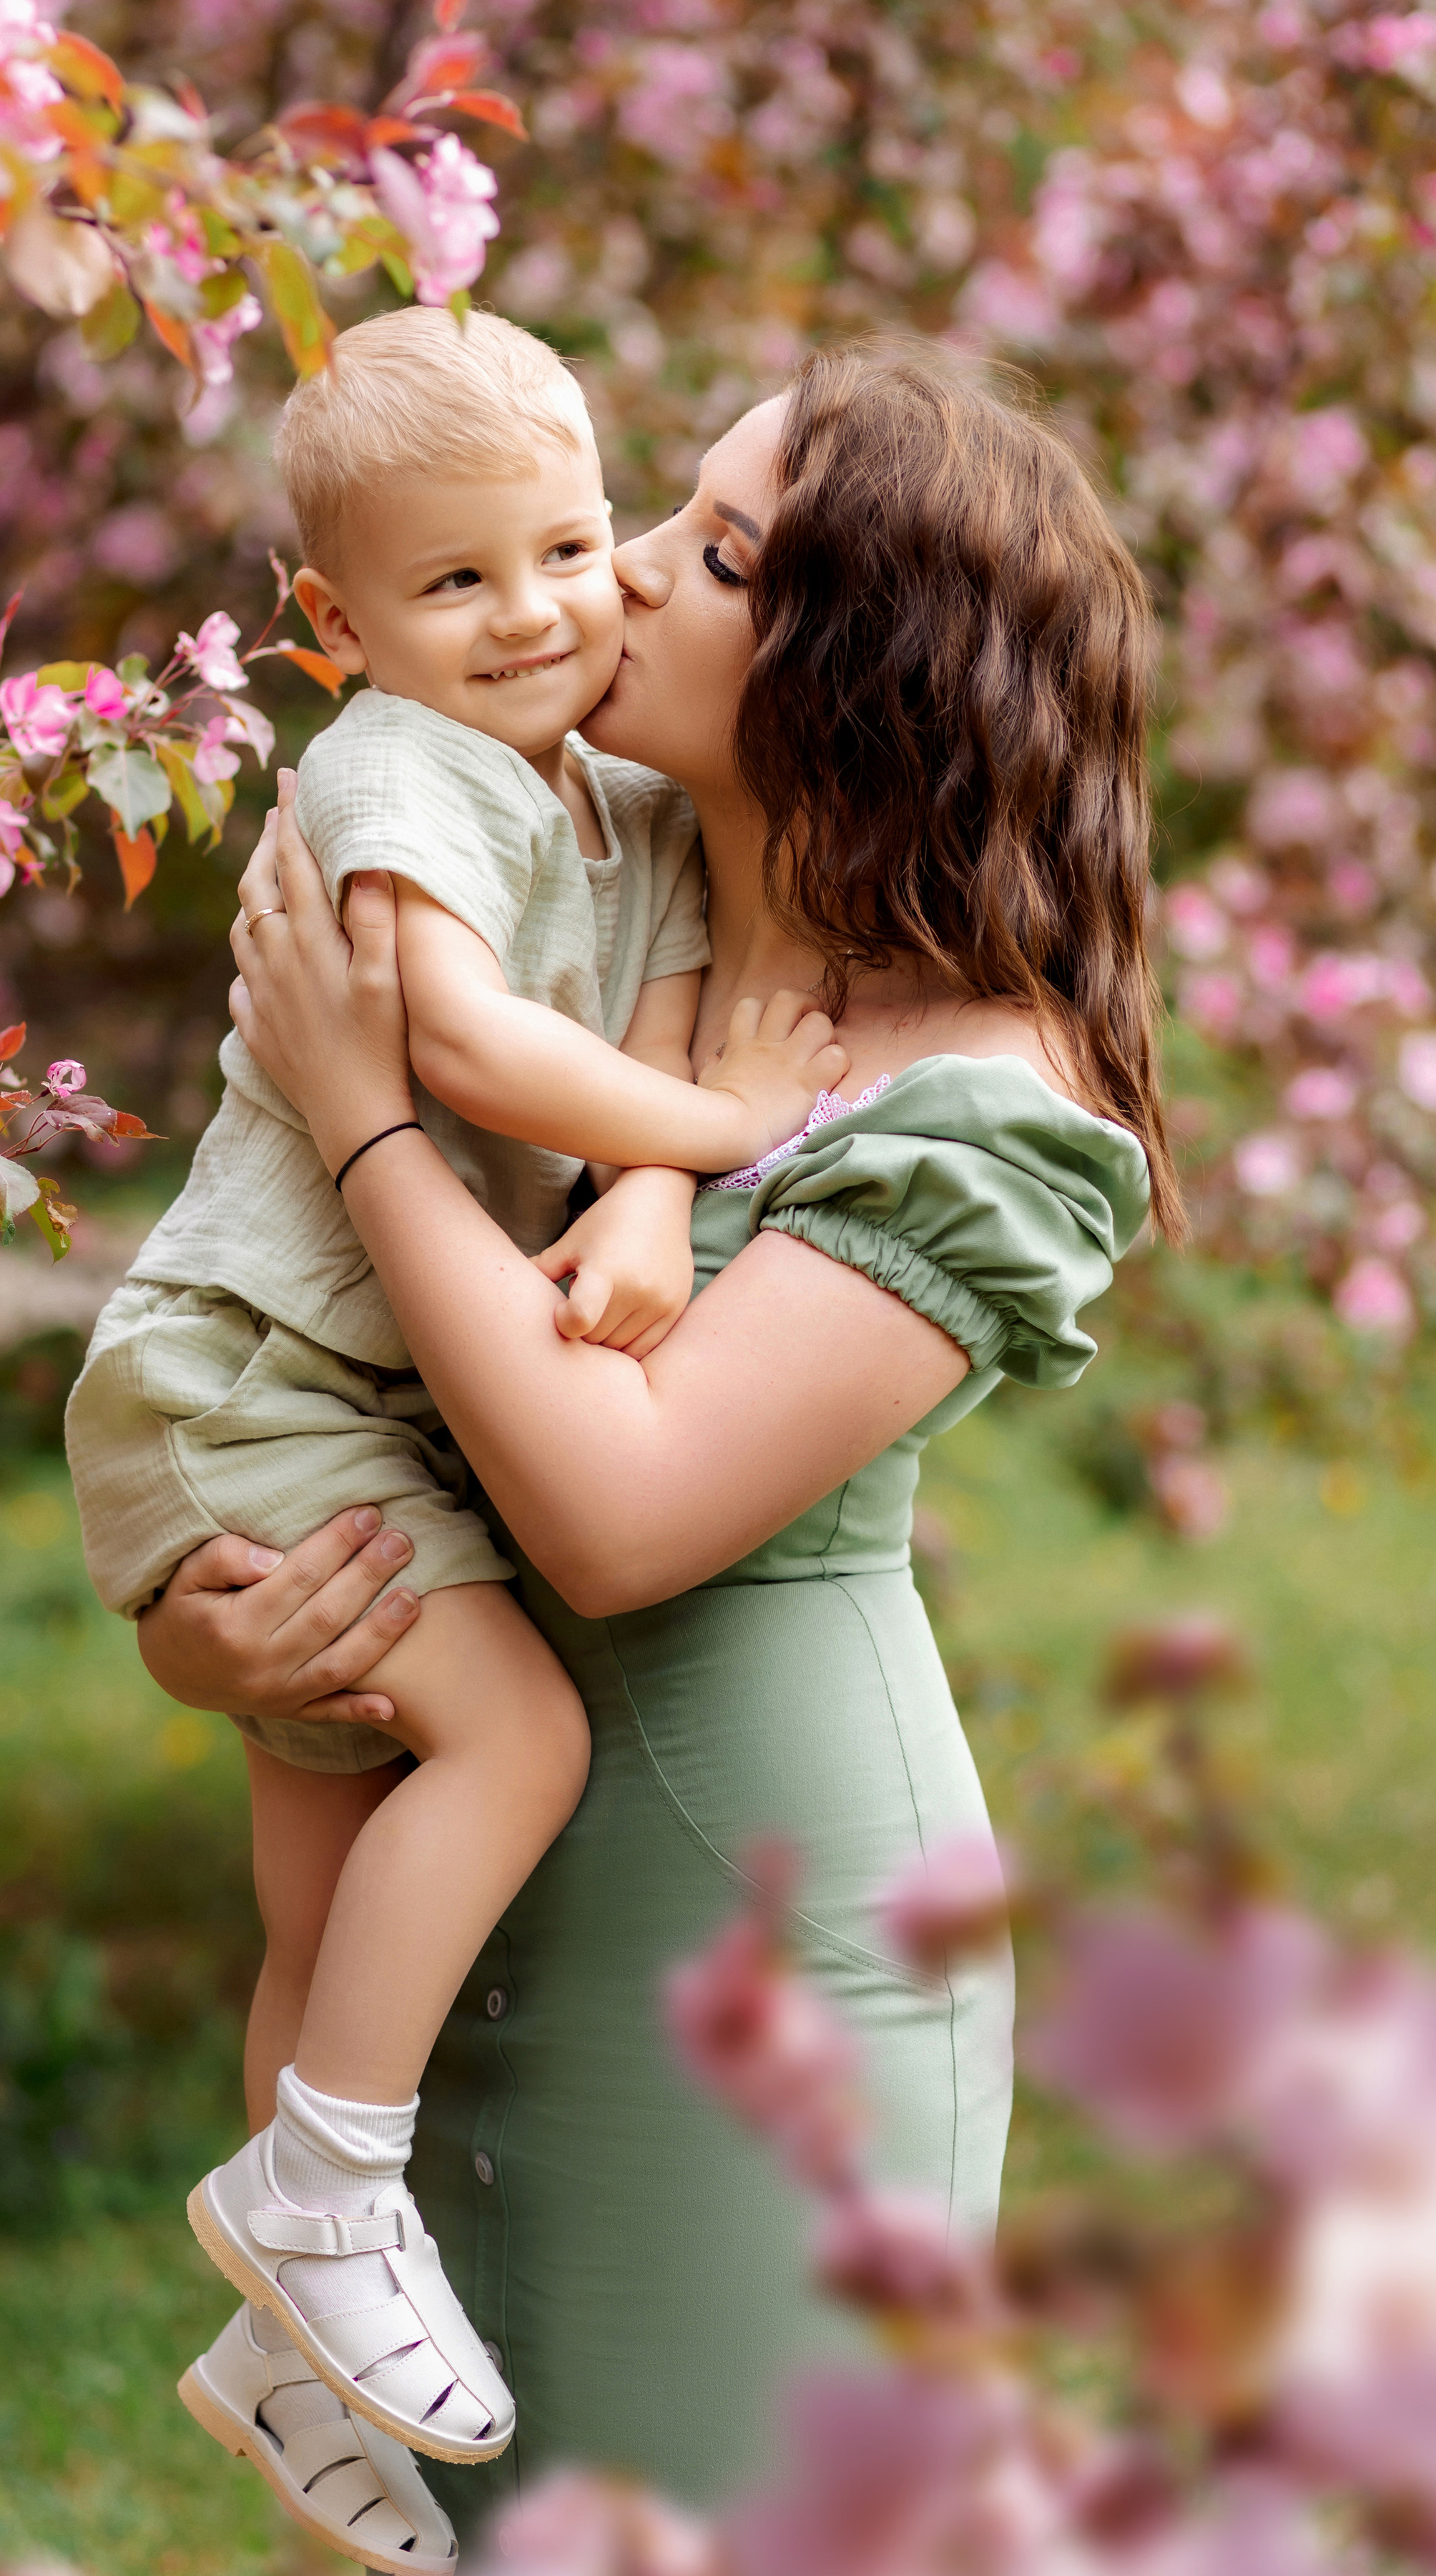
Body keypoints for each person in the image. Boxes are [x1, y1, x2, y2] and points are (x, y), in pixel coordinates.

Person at [143, 341, 1181, 2560]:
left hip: (751, 1948)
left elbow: (611, 1516)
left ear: (851, 673)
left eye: (704, 550)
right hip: (469, 1917)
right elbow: (345, 1394)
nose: (606, 576)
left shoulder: (976, 1091)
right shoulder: (586, 908)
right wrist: (239, 1645)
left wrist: (370, 1118)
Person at [64, 308, 846, 2537]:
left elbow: (663, 1020)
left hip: (361, 1403)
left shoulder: (620, 808)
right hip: (258, 1375)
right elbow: (467, 1048)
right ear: (340, 628)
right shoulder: (396, 776)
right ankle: (330, 2191)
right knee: (516, 1742)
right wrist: (707, 1121)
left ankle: (285, 2350)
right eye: (457, 580)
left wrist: (669, 1199)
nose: (537, 614)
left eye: (574, 546)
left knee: (317, 1931)